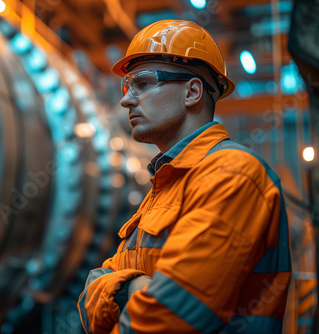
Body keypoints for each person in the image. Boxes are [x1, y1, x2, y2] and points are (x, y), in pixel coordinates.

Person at [78, 20, 291, 333]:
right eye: (127, 86)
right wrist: (134, 290)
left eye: (143, 83)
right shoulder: (165, 185)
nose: (125, 99)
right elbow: (86, 302)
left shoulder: (232, 174)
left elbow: (167, 318)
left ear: (192, 92)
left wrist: (120, 291)